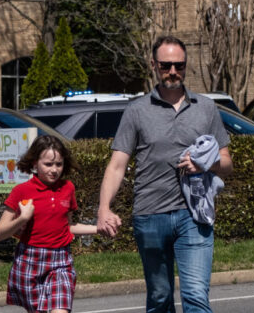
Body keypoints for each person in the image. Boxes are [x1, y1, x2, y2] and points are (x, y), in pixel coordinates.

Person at [97, 35, 232, 313]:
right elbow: (117, 165)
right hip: (150, 215)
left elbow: (227, 162)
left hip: (194, 215)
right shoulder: (137, 111)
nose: (173, 71)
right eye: (166, 65)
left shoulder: (206, 108)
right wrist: (103, 208)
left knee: (196, 295)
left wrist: (205, 164)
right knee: (160, 298)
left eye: (179, 65)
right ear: (154, 65)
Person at [0, 135, 97, 313]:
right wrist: (22, 219)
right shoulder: (21, 191)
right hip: (30, 260)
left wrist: (99, 228)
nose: (54, 170)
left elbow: (68, 226)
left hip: (61, 261)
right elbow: (0, 233)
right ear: (35, 164)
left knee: (61, 309)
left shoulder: (68, 188)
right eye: (48, 164)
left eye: (59, 164)